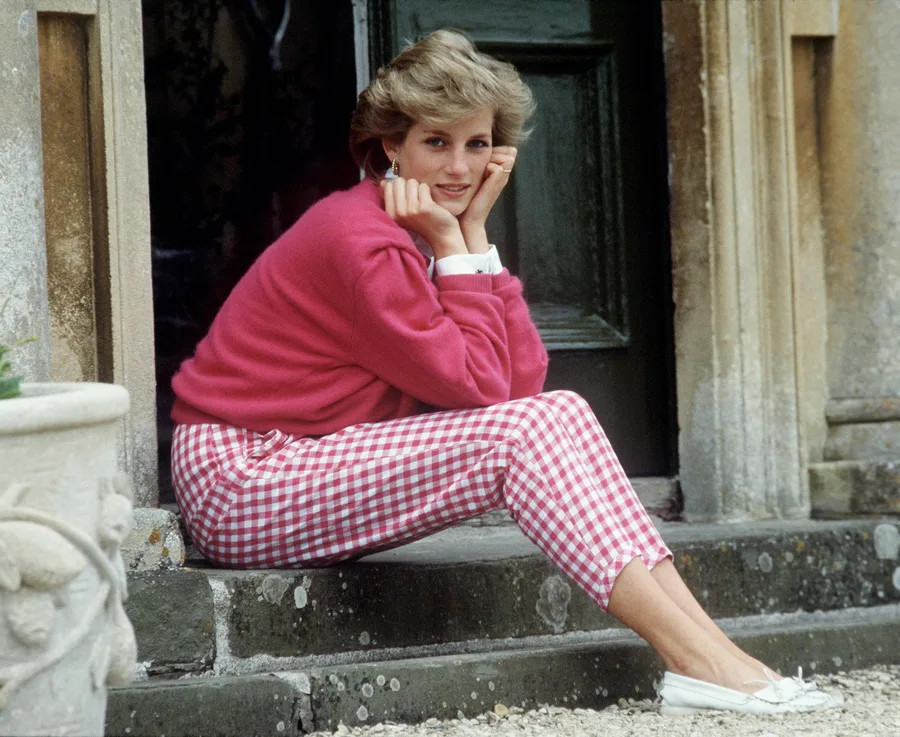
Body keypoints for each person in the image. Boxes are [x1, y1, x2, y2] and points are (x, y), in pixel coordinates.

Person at [169, 29, 840, 716]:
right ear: (390, 147)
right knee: (522, 433)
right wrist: (453, 242)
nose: (460, 168)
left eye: (478, 144)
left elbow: (523, 383)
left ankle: (720, 655)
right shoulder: (360, 241)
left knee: (563, 410)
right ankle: (697, 660)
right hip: (242, 478)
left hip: (303, 460)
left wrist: (475, 236)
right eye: (436, 142)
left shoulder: (429, 228)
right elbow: (485, 393)